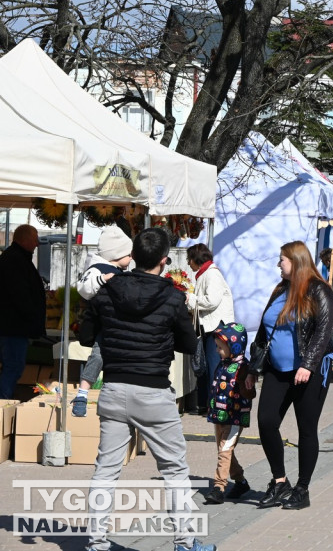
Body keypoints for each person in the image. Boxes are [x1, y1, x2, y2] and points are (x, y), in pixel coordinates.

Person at [78, 227, 213, 551]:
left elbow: (86, 336)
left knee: (106, 470)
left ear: (133, 256)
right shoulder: (172, 296)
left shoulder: (107, 291)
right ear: (165, 261)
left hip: (113, 389)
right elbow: (187, 343)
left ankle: (96, 544)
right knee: (174, 470)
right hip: (153, 393)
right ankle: (184, 542)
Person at [247, 241, 333, 510]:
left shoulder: (319, 290)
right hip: (277, 369)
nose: (278, 264)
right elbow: (264, 331)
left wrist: (307, 365)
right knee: (266, 421)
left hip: (310, 371)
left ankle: (302, 488)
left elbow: (323, 331)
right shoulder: (280, 289)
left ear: (295, 262)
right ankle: (280, 481)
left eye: (282, 260)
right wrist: (253, 368)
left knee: (306, 429)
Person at [72, 225, 134, 416]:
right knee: (97, 356)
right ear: (116, 254)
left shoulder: (123, 272)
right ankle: (82, 393)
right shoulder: (97, 269)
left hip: (120, 327)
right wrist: (102, 279)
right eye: (128, 254)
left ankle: (113, 397)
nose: (131, 258)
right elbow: (83, 287)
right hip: (104, 326)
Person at [203, 322, 252, 505]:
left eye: (220, 348)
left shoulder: (242, 368)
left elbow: (248, 392)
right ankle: (240, 481)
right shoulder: (224, 363)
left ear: (234, 347)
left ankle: (218, 487)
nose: (217, 351)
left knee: (224, 449)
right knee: (224, 449)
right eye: (216, 347)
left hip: (235, 416)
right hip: (219, 414)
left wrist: (248, 383)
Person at [186, 243, 235, 412]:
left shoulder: (212, 274)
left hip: (216, 327)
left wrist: (191, 299)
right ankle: (207, 404)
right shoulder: (205, 274)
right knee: (206, 367)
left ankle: (216, 405)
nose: (188, 263)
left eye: (189, 259)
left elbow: (212, 301)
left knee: (214, 366)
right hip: (209, 327)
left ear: (195, 259)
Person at [0, 225, 44, 399]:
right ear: (24, 239)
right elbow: (20, 295)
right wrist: (32, 317)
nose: (37, 244)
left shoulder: (14, 258)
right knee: (13, 366)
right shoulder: (15, 261)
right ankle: (2, 405)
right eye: (35, 239)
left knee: (12, 366)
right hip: (13, 327)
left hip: (12, 326)